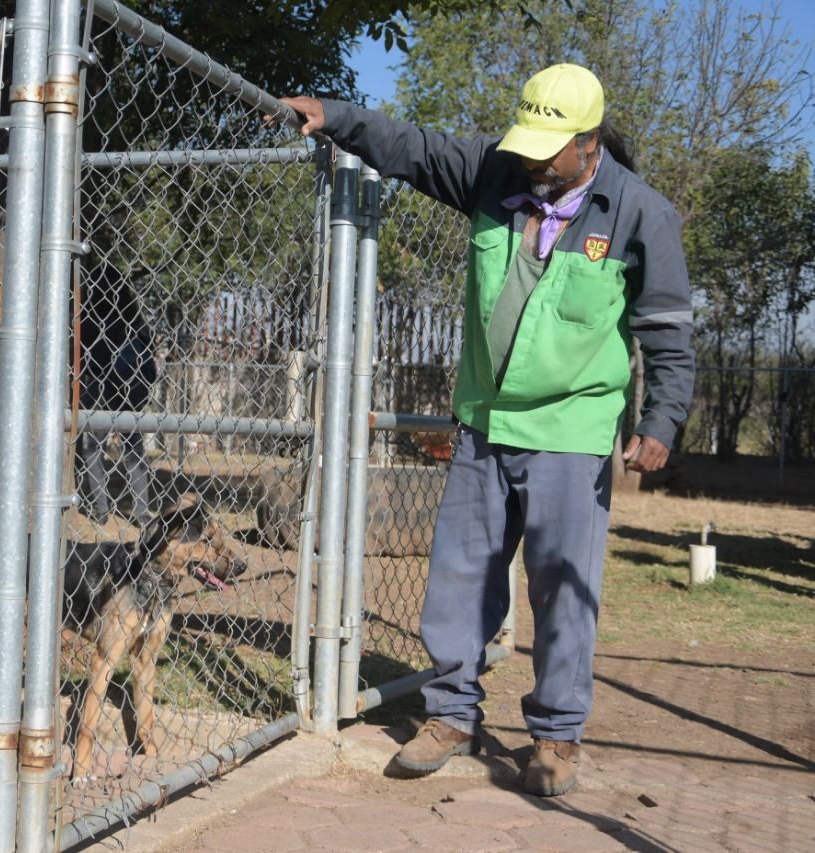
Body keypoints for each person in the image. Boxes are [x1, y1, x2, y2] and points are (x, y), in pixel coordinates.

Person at [279, 63, 694, 796]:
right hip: (483, 419)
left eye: (550, 148)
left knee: (563, 586)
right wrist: (337, 114)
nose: (534, 159)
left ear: (589, 145)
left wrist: (660, 419)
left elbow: (667, 331)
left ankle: (556, 736)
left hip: (572, 426)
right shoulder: (494, 171)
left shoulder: (639, 213)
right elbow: (413, 146)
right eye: (529, 142)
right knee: (460, 577)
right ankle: (448, 715)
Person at [76, 259, 156, 524]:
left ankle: (101, 510)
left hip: (99, 388)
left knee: (93, 450)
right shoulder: (133, 315)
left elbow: (78, 349)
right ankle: (143, 513)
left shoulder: (89, 316)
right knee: (134, 452)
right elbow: (149, 352)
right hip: (129, 391)